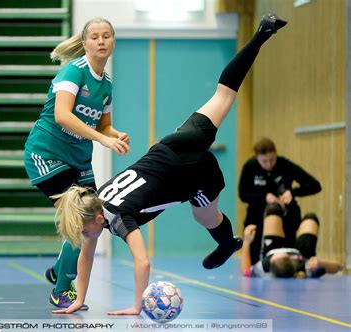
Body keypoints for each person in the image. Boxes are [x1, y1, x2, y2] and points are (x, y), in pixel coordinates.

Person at [51, 14, 287, 315]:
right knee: (224, 93)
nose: (85, 238)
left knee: (206, 217)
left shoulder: (118, 218)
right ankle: (263, 33)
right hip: (174, 144)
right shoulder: (95, 199)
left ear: (98, 219)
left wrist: (137, 307)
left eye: (84, 231)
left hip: (194, 175)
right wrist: (78, 298)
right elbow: (86, 255)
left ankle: (227, 242)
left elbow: (143, 260)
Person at [23, 17, 131, 309]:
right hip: (46, 154)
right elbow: (62, 115)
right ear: (85, 43)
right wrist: (101, 139)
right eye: (94, 37)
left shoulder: (106, 84)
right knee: (82, 220)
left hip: (78, 160)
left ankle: (60, 270)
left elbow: (104, 124)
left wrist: (113, 134)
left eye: (106, 36)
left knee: (95, 223)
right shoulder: (74, 71)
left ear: (113, 42)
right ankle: (61, 289)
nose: (100, 41)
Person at [238, 137, 322, 265]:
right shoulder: (250, 167)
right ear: (257, 157)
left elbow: (315, 185)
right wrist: (264, 197)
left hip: (285, 219)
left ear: (276, 154)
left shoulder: (285, 165)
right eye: (264, 161)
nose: (269, 164)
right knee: (255, 262)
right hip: (257, 218)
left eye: (272, 160)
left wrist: (292, 193)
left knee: (286, 258)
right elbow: (243, 194)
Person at [241, 206, 343, 278]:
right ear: (292, 260)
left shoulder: (265, 265)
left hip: (272, 247)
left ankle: (284, 209)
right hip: (302, 252)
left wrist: (246, 242)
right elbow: (339, 266)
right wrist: (321, 263)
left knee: (272, 210)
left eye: (276, 256)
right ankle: (292, 219)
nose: (280, 252)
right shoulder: (303, 265)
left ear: (271, 261)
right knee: (311, 217)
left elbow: (246, 271)